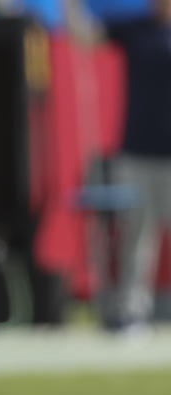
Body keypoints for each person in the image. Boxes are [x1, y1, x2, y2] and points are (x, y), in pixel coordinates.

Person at [100, 0, 171, 332]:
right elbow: (85, 37)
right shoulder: (136, 30)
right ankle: (131, 310)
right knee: (137, 235)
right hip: (138, 150)